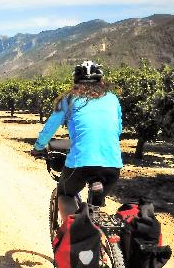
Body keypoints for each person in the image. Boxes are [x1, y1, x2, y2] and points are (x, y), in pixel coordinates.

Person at [31, 60, 122, 220]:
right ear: (101, 81)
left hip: (82, 163)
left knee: (65, 194)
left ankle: (74, 238)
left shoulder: (69, 99)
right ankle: (95, 225)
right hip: (112, 165)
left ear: (76, 82)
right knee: (95, 207)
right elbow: (117, 129)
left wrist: (38, 147)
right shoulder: (113, 99)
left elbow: (50, 126)